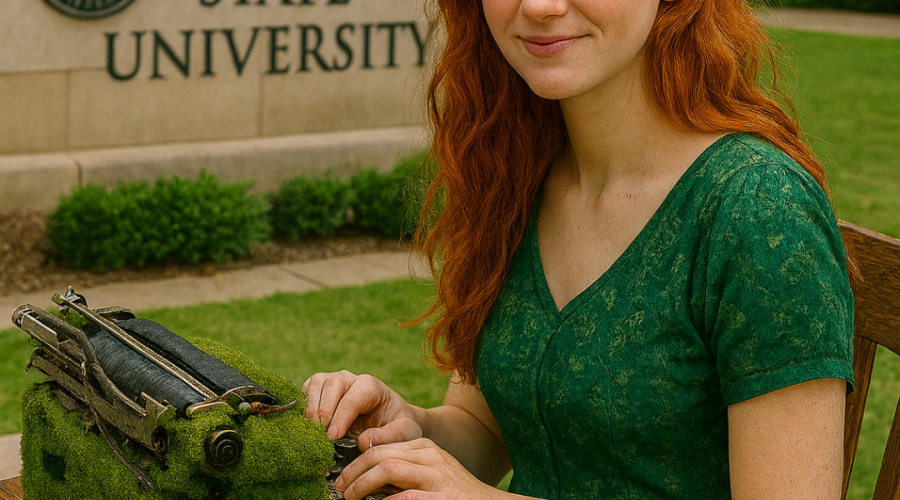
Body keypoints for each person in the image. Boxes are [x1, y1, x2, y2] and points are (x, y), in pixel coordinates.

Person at [302, 0, 856, 498]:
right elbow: (488, 428)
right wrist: (410, 430)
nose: (539, 6)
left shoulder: (758, 210)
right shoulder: (521, 170)